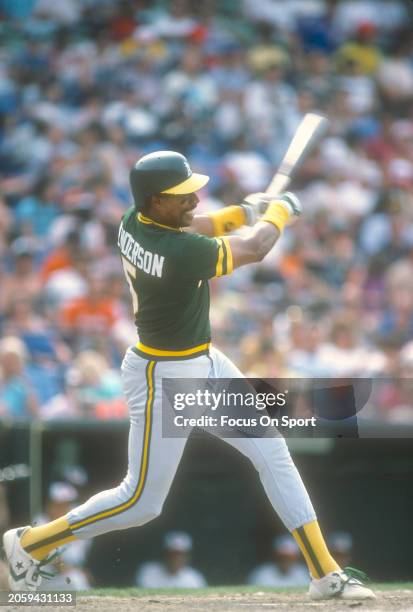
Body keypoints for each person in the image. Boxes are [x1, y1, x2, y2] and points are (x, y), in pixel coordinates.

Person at [3, 151, 374, 600]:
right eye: (181, 195)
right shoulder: (177, 252)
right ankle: (28, 543)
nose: (194, 198)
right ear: (155, 200)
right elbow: (256, 248)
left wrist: (241, 212)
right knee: (141, 502)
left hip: (202, 361)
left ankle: (324, 574)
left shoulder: (132, 220)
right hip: (164, 376)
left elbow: (196, 226)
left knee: (272, 452)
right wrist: (279, 212)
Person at [135, 531, 206, 589]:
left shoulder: (194, 578)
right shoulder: (148, 572)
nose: (177, 558)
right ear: (165, 554)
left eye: (181, 554)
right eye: (173, 554)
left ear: (187, 556)